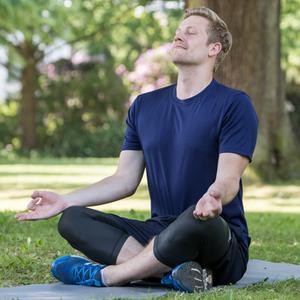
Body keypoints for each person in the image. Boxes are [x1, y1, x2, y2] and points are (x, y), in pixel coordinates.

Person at [16, 7, 258, 292]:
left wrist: (214, 197)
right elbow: (124, 180)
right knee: (73, 218)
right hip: (160, 231)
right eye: (179, 31)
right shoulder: (145, 106)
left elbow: (228, 180)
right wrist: (65, 201)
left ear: (213, 49)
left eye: (191, 32)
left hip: (215, 235)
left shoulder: (234, 105)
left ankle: (110, 276)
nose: (179, 35)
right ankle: (172, 273)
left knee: (194, 220)